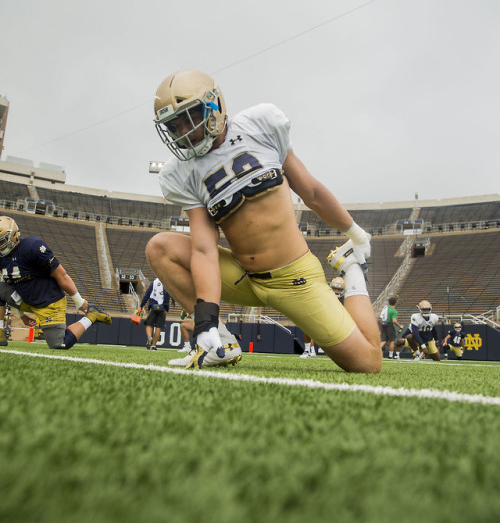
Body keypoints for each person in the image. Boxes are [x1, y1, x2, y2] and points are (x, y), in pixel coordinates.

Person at [146, 70, 381, 373]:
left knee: (367, 363)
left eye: (188, 118)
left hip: (295, 279)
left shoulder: (260, 125)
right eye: (173, 125)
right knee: (160, 248)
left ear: (213, 106)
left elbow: (310, 191)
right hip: (245, 276)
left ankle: (351, 268)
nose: (182, 131)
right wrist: (205, 323)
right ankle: (222, 342)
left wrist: (354, 232)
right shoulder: (182, 172)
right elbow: (203, 249)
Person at [0, 216, 112, 349]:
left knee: (59, 344)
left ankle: (92, 316)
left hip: (49, 302)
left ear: (13, 235)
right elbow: (12, 284)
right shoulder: (2, 258)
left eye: (1, 241)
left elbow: (62, 275)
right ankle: (0, 331)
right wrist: (21, 314)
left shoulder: (32, 247)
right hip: (26, 300)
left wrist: (79, 302)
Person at [137, 276, 172, 350]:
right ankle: (153, 345)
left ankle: (149, 337)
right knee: (158, 327)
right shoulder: (167, 284)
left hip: (153, 307)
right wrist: (174, 301)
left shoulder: (154, 283)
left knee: (149, 324)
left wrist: (141, 306)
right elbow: (172, 294)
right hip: (163, 308)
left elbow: (146, 295)